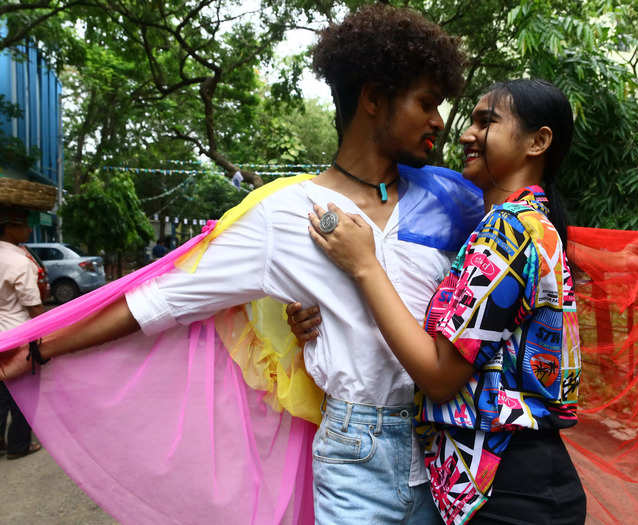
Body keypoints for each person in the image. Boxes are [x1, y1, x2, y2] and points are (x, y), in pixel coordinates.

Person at [0, 5, 476, 523]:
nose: (439, 122)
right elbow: (159, 302)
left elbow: (511, 258)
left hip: (447, 457)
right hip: (354, 460)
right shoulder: (283, 216)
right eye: (427, 103)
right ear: (373, 98)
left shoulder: (451, 200)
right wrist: (41, 349)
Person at [297, 79, 638, 524]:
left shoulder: (509, 231)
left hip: (509, 492)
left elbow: (440, 376)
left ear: (538, 141)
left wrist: (364, 266)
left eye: (486, 122)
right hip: (526, 483)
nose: (465, 134)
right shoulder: (531, 224)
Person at [0, 207, 43, 460]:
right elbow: (34, 307)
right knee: (22, 393)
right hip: (16, 335)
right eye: (24, 224)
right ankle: (18, 445)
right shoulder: (19, 262)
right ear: (9, 228)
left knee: (1, 392)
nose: (29, 229)